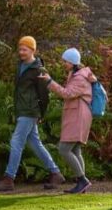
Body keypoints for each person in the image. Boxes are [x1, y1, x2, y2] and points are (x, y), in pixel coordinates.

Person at [0, 36, 63, 192]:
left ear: (33, 50)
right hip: (22, 110)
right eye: (20, 49)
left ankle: (9, 179)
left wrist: (41, 115)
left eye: (25, 49)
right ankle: (55, 172)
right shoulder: (21, 65)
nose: (21, 52)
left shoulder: (39, 70)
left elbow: (44, 95)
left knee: (16, 142)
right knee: (35, 144)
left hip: (30, 111)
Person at [41, 47, 95, 194]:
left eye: (65, 61)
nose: (63, 63)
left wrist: (50, 82)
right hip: (78, 114)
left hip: (78, 115)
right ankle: (81, 184)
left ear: (72, 62)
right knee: (76, 150)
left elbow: (67, 93)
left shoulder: (79, 78)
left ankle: (82, 180)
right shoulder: (76, 75)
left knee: (63, 149)